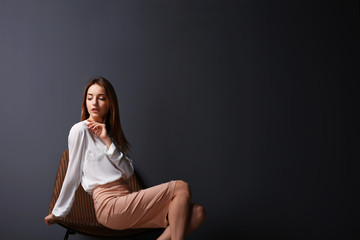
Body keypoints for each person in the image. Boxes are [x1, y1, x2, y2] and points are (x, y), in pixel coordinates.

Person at [44, 77, 206, 240]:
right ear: (85, 101)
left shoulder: (111, 135)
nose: (94, 103)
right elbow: (73, 173)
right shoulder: (80, 130)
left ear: (109, 103)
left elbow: (128, 172)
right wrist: (58, 213)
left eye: (101, 98)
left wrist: (108, 141)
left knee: (198, 213)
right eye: (90, 97)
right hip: (109, 205)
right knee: (181, 187)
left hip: (127, 199)